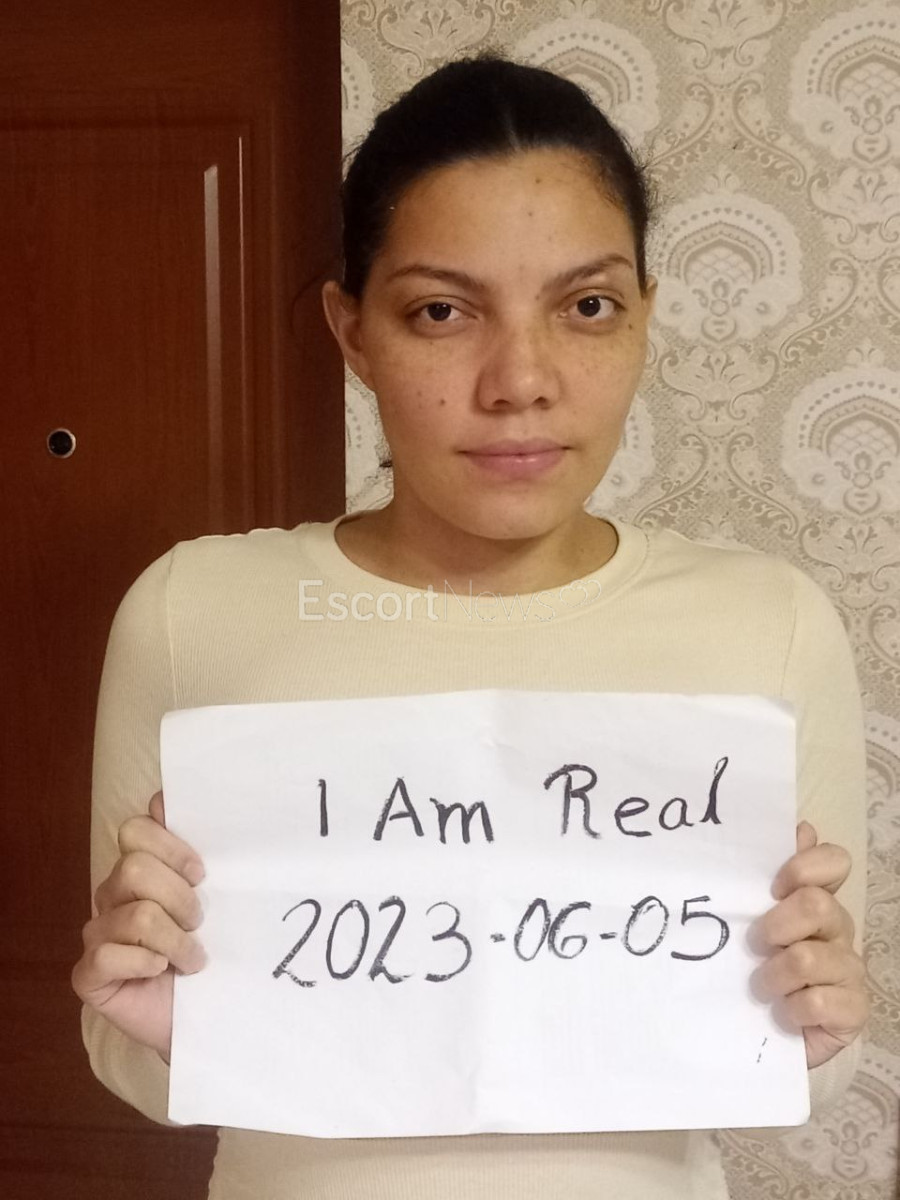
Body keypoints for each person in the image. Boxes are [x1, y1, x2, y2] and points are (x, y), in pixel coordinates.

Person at [71, 53, 869, 1200]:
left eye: (586, 307)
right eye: (442, 311)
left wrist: (818, 1021)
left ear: (644, 317)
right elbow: (131, 1052)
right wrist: (159, 1019)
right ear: (353, 332)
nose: (520, 381)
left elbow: (809, 1064)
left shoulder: (768, 625)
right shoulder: (193, 611)